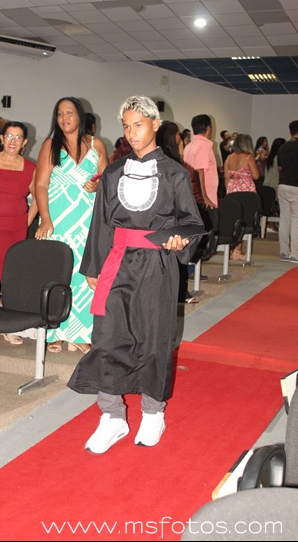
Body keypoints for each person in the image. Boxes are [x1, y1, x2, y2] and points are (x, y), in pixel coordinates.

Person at [68, 96, 204, 453]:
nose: (131, 133)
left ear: (155, 125)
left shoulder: (175, 174)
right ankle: (112, 416)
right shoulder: (113, 172)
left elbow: (191, 223)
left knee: (154, 337)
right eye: (126, 127)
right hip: (117, 262)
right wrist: (93, 268)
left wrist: (179, 241)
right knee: (108, 337)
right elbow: (100, 223)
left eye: (138, 125)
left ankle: (153, 413)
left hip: (157, 265)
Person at [35, 97, 109, 354]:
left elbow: (107, 181)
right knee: (58, 273)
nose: (64, 118)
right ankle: (54, 331)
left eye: (69, 112)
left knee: (85, 273)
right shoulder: (50, 144)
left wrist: (97, 185)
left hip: (87, 219)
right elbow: (40, 185)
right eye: (59, 114)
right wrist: (45, 218)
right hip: (58, 219)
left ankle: (79, 333)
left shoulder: (97, 145)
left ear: (80, 115)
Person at [0, 121, 37, 345]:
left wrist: (26, 222)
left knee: (10, 277)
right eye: (9, 136)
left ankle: (7, 326)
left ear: (24, 142)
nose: (13, 141)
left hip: (15, 230)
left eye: (18, 137)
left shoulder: (30, 167)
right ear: (2, 139)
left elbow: (38, 198)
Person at [156, 121, 200, 303]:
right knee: (176, 252)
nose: (180, 137)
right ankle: (181, 292)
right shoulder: (170, 159)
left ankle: (182, 291)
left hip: (171, 213)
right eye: (177, 134)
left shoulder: (168, 156)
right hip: (171, 213)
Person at [224, 133, 260, 261]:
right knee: (245, 220)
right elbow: (256, 176)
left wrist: (229, 189)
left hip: (232, 191)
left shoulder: (229, 157)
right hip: (246, 192)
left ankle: (232, 249)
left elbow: (226, 177)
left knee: (235, 220)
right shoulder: (249, 157)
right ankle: (237, 250)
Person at [277, 120, 298, 264]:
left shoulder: (283, 147)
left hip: (283, 185)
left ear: (290, 131)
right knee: (297, 220)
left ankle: (284, 252)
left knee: (284, 219)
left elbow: (280, 168)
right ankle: (295, 254)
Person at [183, 114, 219, 213]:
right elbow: (199, 171)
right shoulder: (204, 145)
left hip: (193, 194)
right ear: (208, 128)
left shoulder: (189, 146)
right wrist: (205, 198)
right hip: (204, 198)